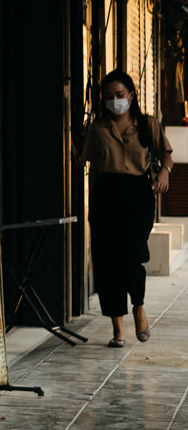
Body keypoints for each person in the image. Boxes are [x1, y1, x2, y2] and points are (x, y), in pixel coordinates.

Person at [80, 70, 173, 346]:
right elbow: (91, 167)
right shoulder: (98, 129)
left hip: (137, 196)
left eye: (120, 95)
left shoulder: (148, 124)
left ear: (131, 95)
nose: (115, 101)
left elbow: (166, 153)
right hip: (106, 196)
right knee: (108, 264)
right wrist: (92, 208)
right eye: (109, 97)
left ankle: (139, 307)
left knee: (133, 255)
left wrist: (165, 172)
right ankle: (117, 331)